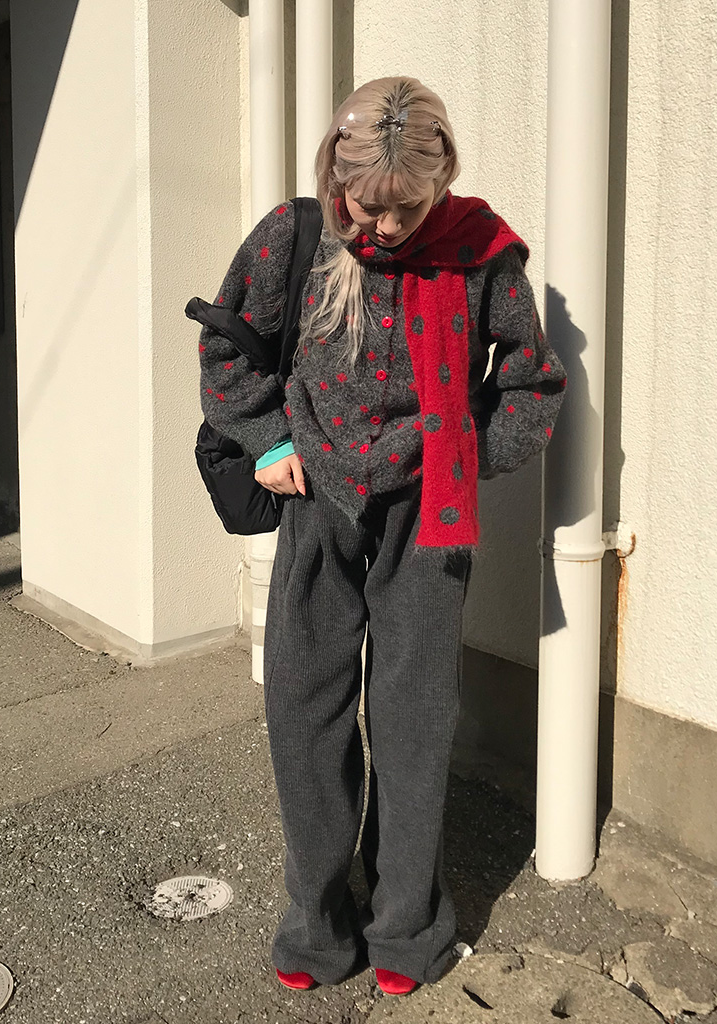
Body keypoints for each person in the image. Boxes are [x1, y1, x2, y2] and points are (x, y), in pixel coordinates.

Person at [198, 76, 567, 995]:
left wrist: (466, 453)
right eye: (369, 206)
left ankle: (407, 931)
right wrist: (268, 439)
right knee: (304, 716)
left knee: (413, 726)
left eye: (411, 207)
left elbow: (531, 380)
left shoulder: (481, 255)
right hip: (316, 504)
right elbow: (228, 344)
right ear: (335, 172)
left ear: (444, 180)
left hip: (426, 518)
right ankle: (316, 928)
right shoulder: (292, 237)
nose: (389, 227)